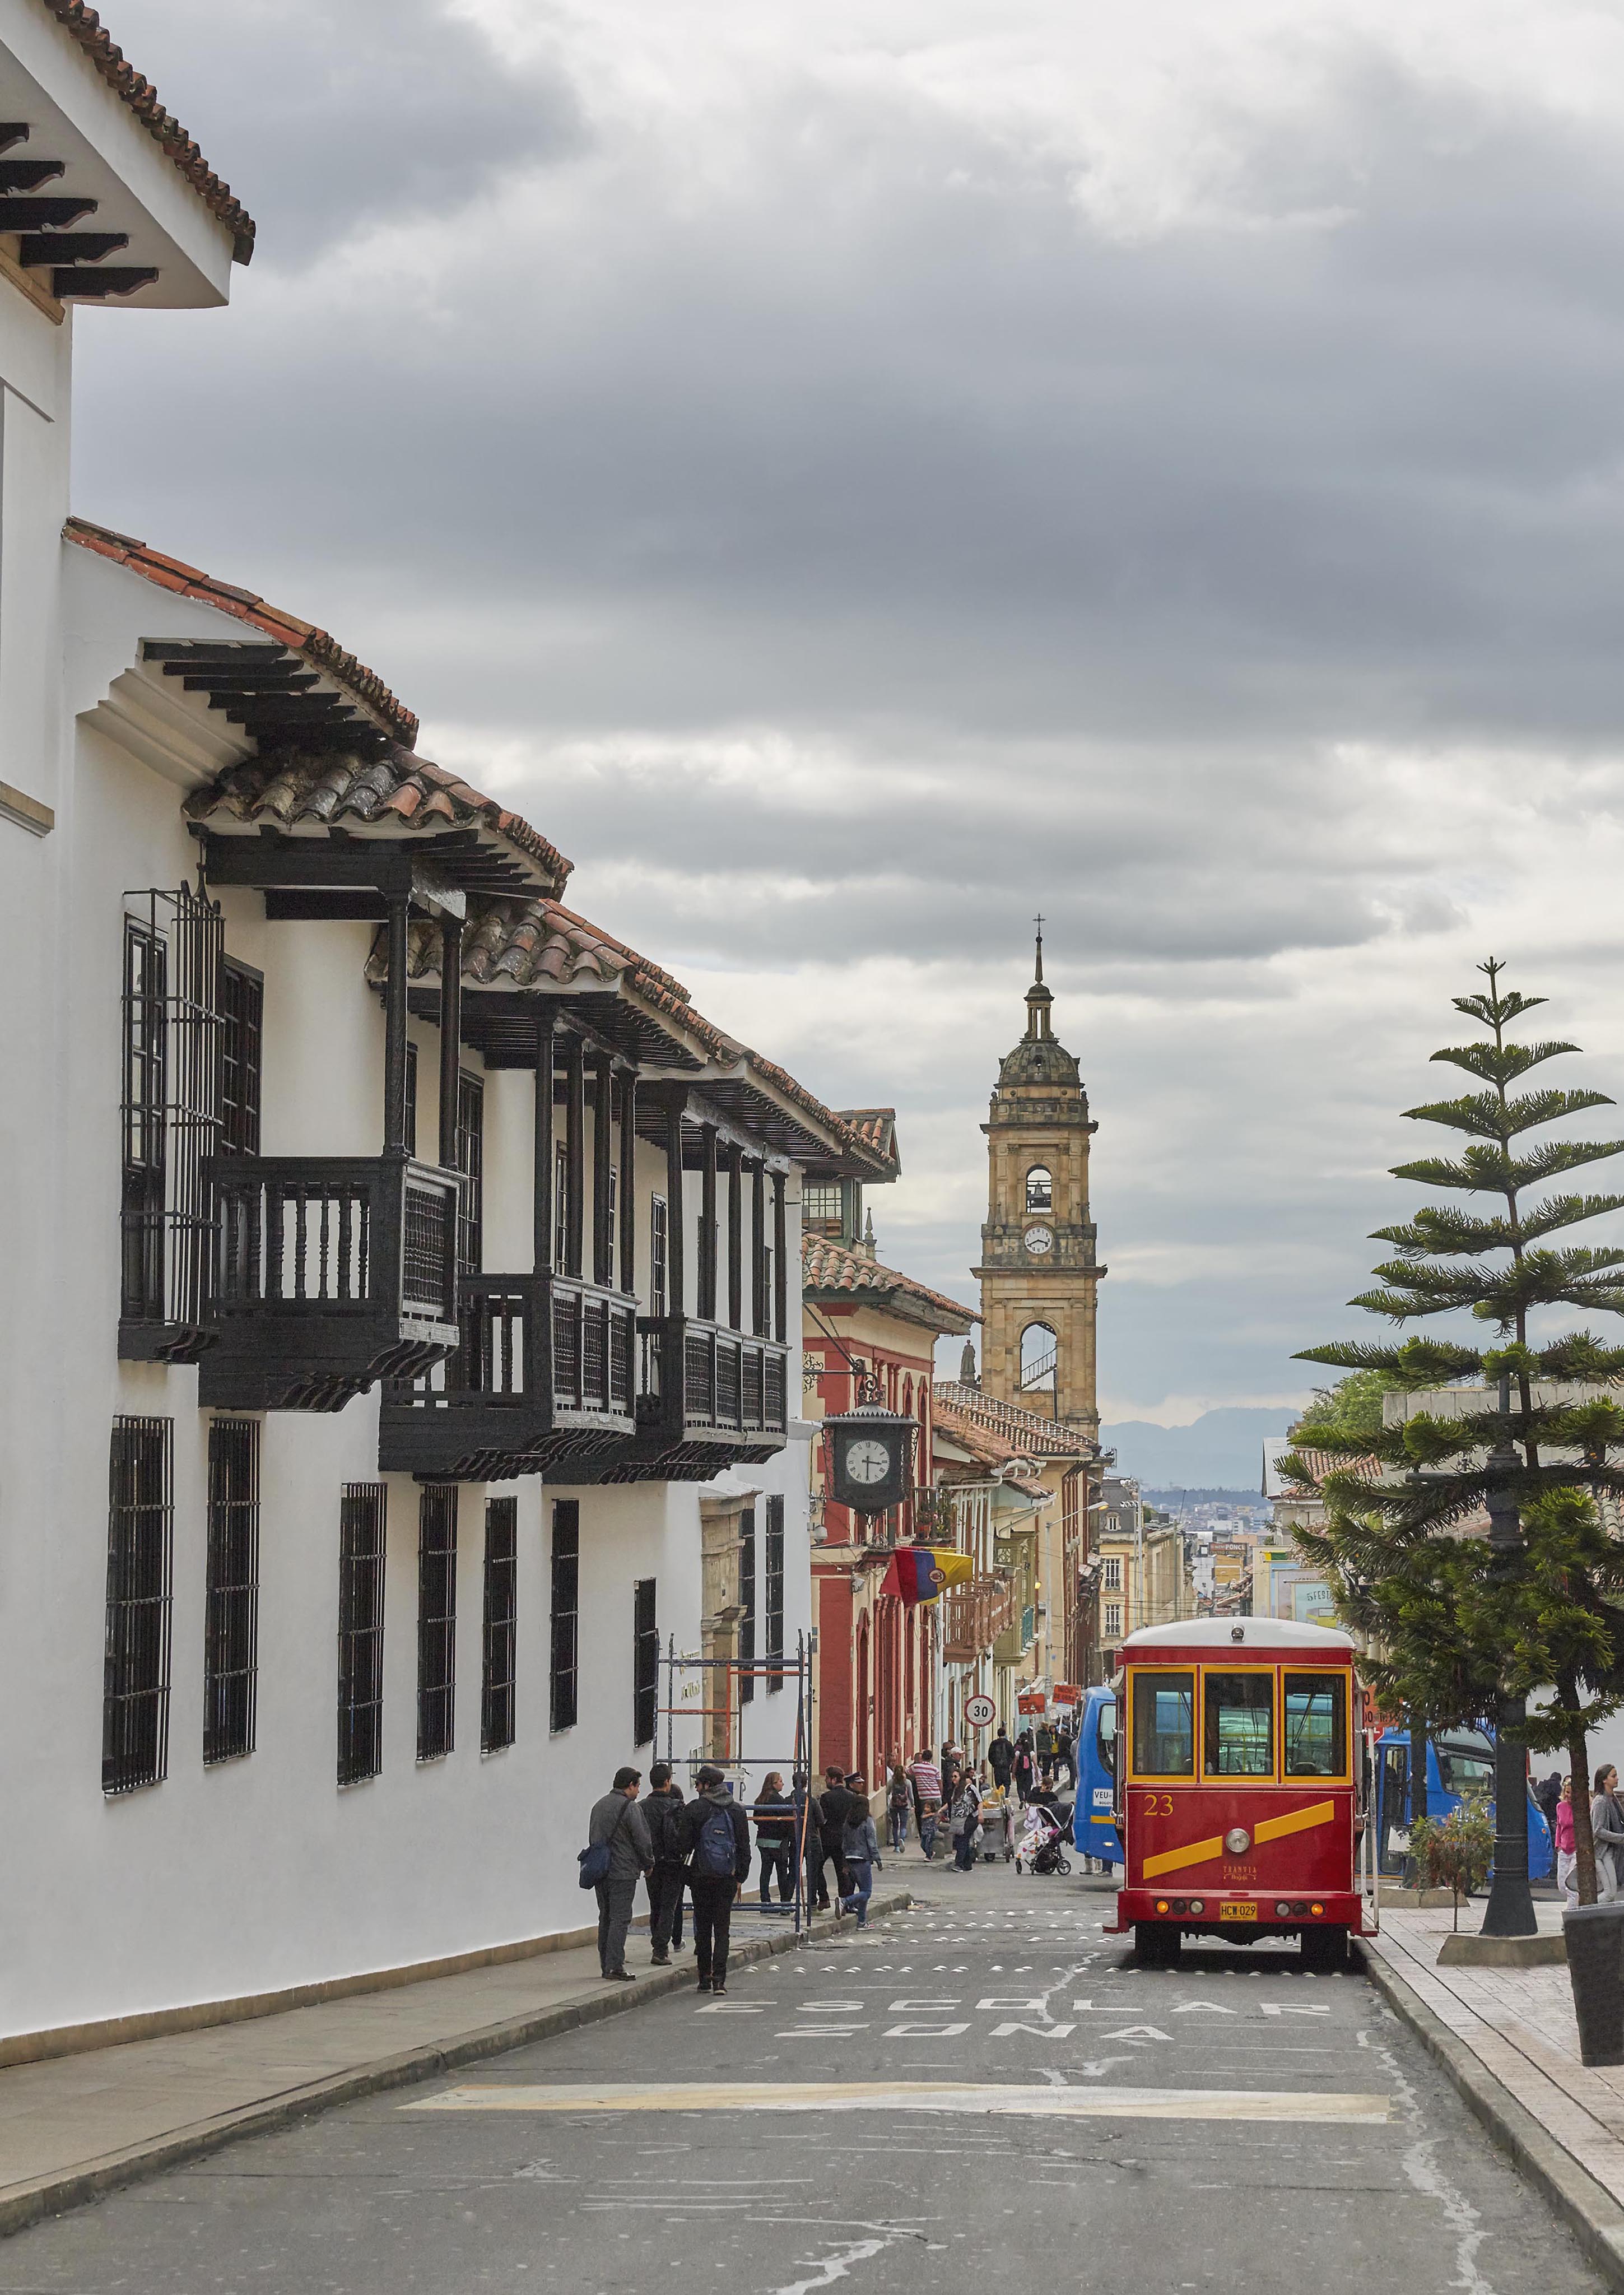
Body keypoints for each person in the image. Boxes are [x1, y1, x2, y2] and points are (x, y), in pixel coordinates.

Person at [678, 1766, 752, 1994]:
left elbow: (683, 1845)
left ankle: (704, 1978)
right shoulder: (737, 1810)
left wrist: (688, 1875)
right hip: (726, 1878)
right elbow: (744, 1848)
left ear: (707, 1785)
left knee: (702, 1928)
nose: (697, 1787)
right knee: (722, 1929)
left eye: (699, 1783)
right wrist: (740, 1875)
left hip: (701, 1876)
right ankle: (720, 1979)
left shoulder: (695, 1809)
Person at [587, 1766, 653, 1982]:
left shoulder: (599, 1806)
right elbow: (642, 1841)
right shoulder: (631, 1808)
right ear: (630, 1785)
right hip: (623, 1872)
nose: (639, 1791)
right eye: (638, 1786)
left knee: (605, 1917)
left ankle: (605, 1964)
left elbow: (594, 1838)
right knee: (620, 1919)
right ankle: (615, 1965)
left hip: (600, 1870)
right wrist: (648, 1863)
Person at [642, 1760, 687, 1964]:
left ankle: (657, 1944)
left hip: (651, 1863)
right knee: (669, 1906)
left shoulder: (641, 1807)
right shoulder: (676, 1806)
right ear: (668, 1782)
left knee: (656, 1905)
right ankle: (661, 1949)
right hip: (673, 1863)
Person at [840, 1777, 881, 1927]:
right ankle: (847, 1901)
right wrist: (878, 1859)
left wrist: (844, 1861)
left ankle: (862, 1922)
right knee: (867, 1892)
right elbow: (872, 1841)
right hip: (862, 1859)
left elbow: (844, 1842)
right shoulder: (867, 1820)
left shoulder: (848, 1821)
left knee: (863, 1891)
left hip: (849, 1858)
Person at [818, 1765, 859, 1906]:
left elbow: (823, 1819)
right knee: (843, 1873)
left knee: (816, 1867)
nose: (826, 1781)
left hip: (828, 1839)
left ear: (834, 1780)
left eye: (827, 1778)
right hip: (845, 1839)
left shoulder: (826, 1798)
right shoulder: (853, 1797)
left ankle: (823, 1897)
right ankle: (845, 1902)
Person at [753, 1771, 796, 1906]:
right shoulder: (779, 1800)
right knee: (782, 1872)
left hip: (762, 1840)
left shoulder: (760, 1799)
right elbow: (786, 1821)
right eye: (780, 1781)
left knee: (765, 1871)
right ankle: (784, 1902)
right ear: (773, 1784)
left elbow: (756, 1820)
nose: (783, 1783)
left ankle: (765, 1901)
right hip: (778, 1841)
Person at [795, 1770, 830, 1910]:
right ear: (805, 1783)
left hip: (796, 1840)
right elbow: (821, 1821)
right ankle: (812, 1900)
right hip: (813, 1840)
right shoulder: (811, 1800)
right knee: (814, 1872)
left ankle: (787, 1899)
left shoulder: (788, 1799)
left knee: (794, 1871)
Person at [1592, 1766, 1624, 1904]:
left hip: (1609, 1852)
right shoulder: (1601, 1801)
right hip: (1601, 1853)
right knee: (1610, 1893)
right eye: (1613, 1776)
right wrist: (1621, 1838)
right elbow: (1598, 1830)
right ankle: (1581, 1915)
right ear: (1604, 1780)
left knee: (1611, 1893)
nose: (1617, 1779)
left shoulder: (1612, 1799)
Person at [909, 1746, 943, 1860]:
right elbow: (939, 1783)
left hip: (925, 1797)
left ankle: (929, 1846)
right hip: (936, 1796)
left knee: (926, 1821)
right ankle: (933, 1840)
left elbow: (907, 1772)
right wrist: (940, 1794)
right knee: (936, 1820)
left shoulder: (916, 1767)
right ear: (931, 1758)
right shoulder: (935, 1769)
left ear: (922, 1757)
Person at [950, 1771, 981, 1871]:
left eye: (956, 1776)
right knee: (964, 1840)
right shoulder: (956, 1790)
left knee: (962, 1839)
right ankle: (968, 1865)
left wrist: (981, 1814)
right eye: (952, 1777)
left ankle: (959, 1864)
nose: (953, 1779)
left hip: (971, 1818)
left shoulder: (971, 1788)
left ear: (961, 1777)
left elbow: (980, 1801)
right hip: (960, 1819)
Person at [1555, 1776, 1578, 1903]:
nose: (1569, 1796)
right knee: (1562, 1886)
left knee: (1572, 1886)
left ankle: (1571, 1915)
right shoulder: (1560, 1806)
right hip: (1563, 1849)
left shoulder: (1581, 1808)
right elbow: (1559, 1825)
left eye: (1572, 1793)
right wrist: (1557, 1844)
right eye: (1567, 1792)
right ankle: (1577, 1905)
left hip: (1576, 1850)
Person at [886, 1763, 912, 1854]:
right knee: (903, 1825)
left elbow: (887, 1792)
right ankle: (902, 1838)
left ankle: (897, 1846)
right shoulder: (907, 1782)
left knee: (895, 1825)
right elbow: (911, 1796)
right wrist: (912, 1805)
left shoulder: (891, 1782)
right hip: (905, 1806)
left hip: (894, 1805)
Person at [988, 1727, 1015, 1792]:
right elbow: (1012, 1755)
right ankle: (1006, 1797)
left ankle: (1000, 1798)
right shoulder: (1008, 1744)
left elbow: (990, 1756)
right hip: (1006, 1767)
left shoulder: (994, 1743)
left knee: (998, 1784)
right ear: (1005, 1734)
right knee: (1007, 1784)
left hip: (997, 1767)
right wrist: (1009, 1763)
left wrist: (994, 1764)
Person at [1012, 1732, 1036, 1804]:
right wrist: (1037, 1773)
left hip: (1020, 1772)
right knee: (1028, 1787)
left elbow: (1015, 1763)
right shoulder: (1032, 1753)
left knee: (1020, 1787)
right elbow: (1035, 1763)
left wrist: (1013, 1773)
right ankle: (1027, 1800)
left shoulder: (1018, 1753)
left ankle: (1022, 1799)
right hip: (1028, 1772)